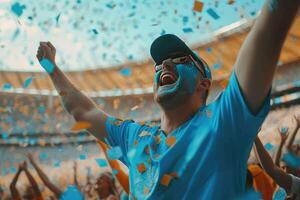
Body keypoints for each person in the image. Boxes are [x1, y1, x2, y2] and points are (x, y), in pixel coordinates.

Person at [35, 0, 300, 199]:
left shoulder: (223, 122)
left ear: (204, 84)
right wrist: (52, 69)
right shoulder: (134, 138)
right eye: (159, 63)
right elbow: (83, 111)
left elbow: (269, 30)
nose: (166, 64)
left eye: (181, 60)